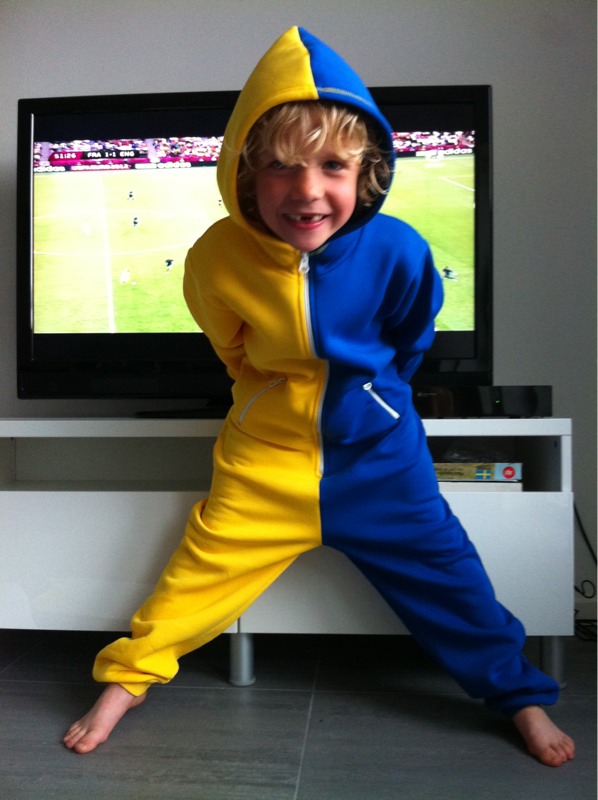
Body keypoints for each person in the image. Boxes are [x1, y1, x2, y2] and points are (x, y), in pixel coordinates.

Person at [63, 26, 574, 767]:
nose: (307, 190)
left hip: (380, 458)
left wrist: (373, 403)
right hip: (264, 459)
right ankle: (126, 682)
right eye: (280, 167)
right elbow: (231, 347)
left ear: (367, 172)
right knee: (194, 578)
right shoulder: (216, 257)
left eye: (333, 165)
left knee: (451, 578)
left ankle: (519, 695)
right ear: (245, 175)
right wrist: (274, 401)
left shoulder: (400, 249)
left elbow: (411, 340)